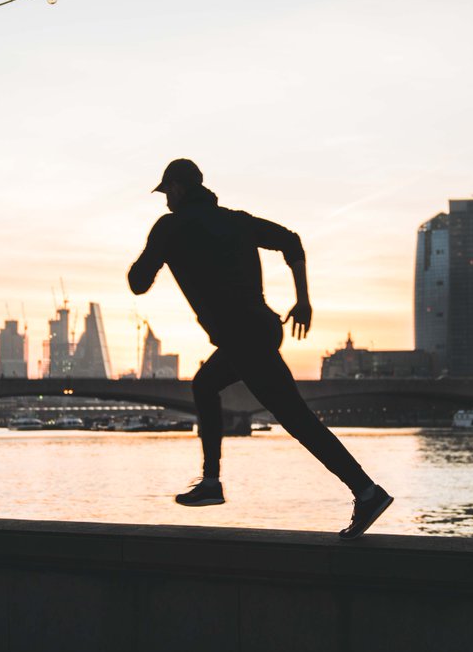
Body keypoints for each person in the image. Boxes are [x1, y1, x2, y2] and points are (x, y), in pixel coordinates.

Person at [128, 158, 392, 540]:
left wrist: (155, 255)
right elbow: (292, 241)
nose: (165, 200)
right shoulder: (238, 221)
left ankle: (367, 492)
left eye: (166, 192)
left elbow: (138, 283)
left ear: (179, 189)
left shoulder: (170, 227)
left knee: (297, 419)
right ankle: (212, 481)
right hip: (263, 329)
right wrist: (303, 301)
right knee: (205, 386)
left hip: (241, 337)